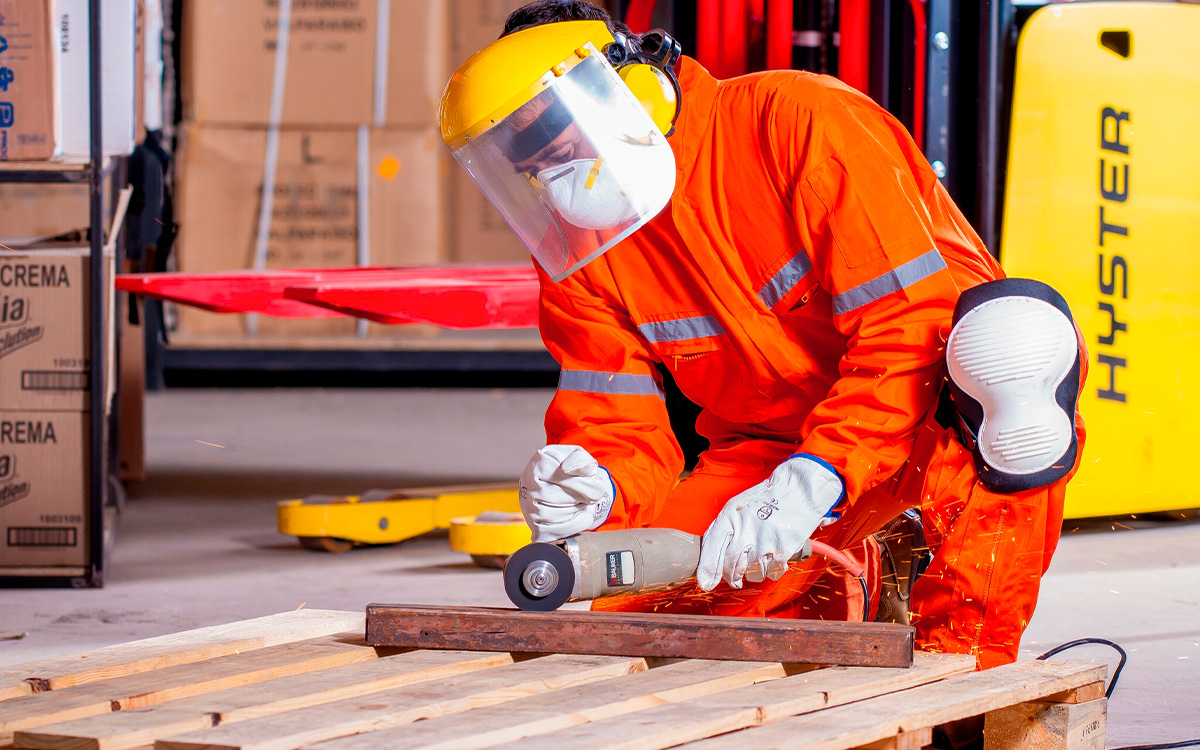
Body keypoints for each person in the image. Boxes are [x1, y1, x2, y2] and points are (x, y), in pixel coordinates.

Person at [439, 0, 1087, 672]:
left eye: (559, 140)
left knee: (1014, 348)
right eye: (528, 161)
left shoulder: (799, 122)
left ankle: (961, 678)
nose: (550, 172)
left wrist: (817, 477)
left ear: (627, 87)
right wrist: (595, 481)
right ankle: (859, 574)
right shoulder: (579, 249)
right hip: (775, 446)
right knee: (652, 632)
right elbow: (614, 417)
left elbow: (909, 327)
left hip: (938, 410)